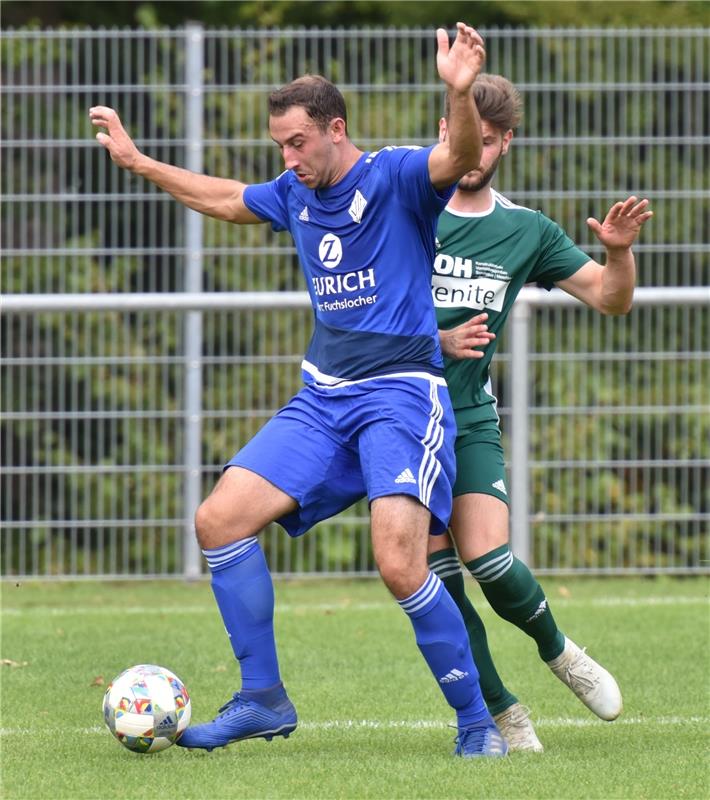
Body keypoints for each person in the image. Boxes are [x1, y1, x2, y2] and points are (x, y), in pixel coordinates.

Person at [90, 25, 510, 758]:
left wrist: (458, 91)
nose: (286, 159)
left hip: (401, 399)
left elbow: (464, 155)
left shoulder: (398, 177)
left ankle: (477, 721)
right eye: (279, 145)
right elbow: (225, 198)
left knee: (398, 564)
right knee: (219, 520)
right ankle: (263, 699)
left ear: (334, 130)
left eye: (295, 143)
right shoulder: (294, 192)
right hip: (323, 400)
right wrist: (137, 161)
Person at [428, 73, 653, 751]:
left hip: (466, 416)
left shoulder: (525, 230)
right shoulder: (403, 205)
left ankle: (561, 653)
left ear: (505, 145)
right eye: (465, 134)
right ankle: (501, 710)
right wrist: (432, 340)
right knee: (434, 584)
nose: (474, 152)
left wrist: (617, 253)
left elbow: (611, 300)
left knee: (489, 560)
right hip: (395, 417)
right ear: (444, 128)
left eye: (490, 142)